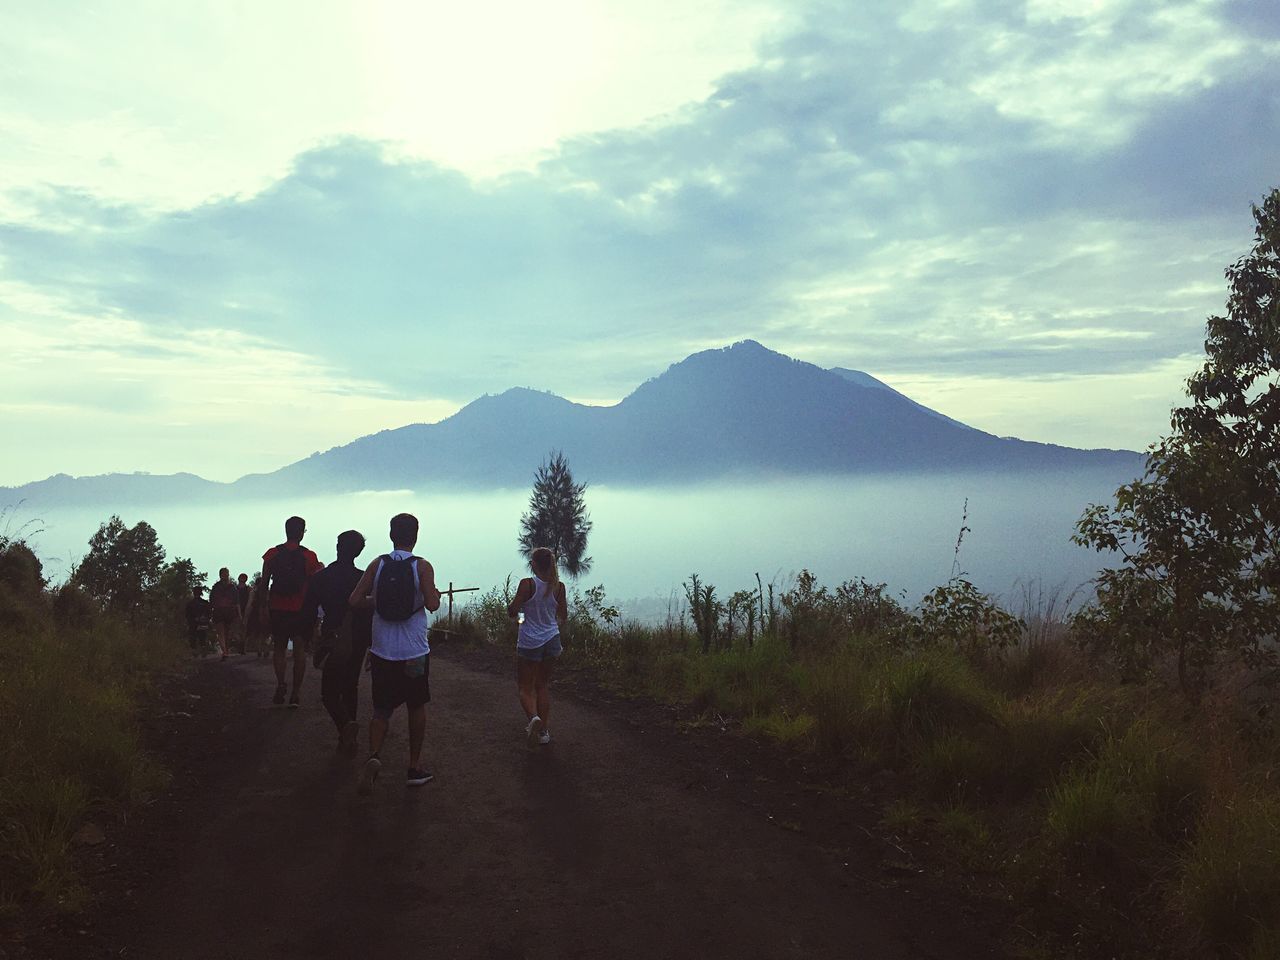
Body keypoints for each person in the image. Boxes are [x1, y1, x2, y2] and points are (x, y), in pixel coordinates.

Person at [348, 513, 441, 793]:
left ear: (391, 535)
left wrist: (377, 601)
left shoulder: (378, 564)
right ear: (415, 536)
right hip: (413, 653)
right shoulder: (422, 567)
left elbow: (353, 600)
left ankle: (374, 756)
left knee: (381, 709)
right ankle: (413, 767)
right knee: (416, 706)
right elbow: (434, 605)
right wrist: (431, 594)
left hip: (383, 652)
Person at [301, 530, 373, 753]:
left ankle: (345, 727)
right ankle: (348, 738)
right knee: (350, 684)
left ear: (337, 546)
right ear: (359, 552)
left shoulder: (320, 578)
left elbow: (308, 612)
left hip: (333, 637)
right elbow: (371, 612)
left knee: (329, 693)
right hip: (359, 637)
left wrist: (309, 638)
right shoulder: (363, 580)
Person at [506, 547, 567, 747]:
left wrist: (521, 616)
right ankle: (544, 732)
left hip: (529, 641)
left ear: (533, 564)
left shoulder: (527, 585)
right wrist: (549, 625)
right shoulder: (559, 587)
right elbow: (563, 616)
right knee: (542, 685)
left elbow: (513, 611)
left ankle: (533, 718)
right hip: (552, 639)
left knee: (525, 686)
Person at [261, 516, 324, 707]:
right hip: (300, 610)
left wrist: (263, 609)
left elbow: (264, 584)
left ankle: (281, 683)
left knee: (279, 648)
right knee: (299, 652)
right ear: (302, 533)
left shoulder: (272, 554)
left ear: (286, 530)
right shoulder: (309, 556)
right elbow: (315, 586)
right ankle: (295, 694)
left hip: (278, 608)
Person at [208, 567, 238, 661]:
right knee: (225, 632)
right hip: (226, 611)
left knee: (222, 632)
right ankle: (225, 651)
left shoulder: (216, 587)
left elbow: (211, 600)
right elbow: (236, 601)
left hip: (221, 611)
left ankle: (225, 651)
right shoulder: (231, 587)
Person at [185, 586, 213, 657]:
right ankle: (198, 651)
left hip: (198, 623)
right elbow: (187, 615)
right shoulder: (192, 604)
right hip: (196, 622)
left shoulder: (191, 604)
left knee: (198, 637)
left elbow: (209, 613)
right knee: (199, 637)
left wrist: (204, 618)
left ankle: (198, 651)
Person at [235, 572, 252, 653]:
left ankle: (242, 646)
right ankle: (241, 645)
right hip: (238, 610)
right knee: (239, 629)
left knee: (243, 629)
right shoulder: (235, 589)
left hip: (245, 610)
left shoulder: (247, 589)